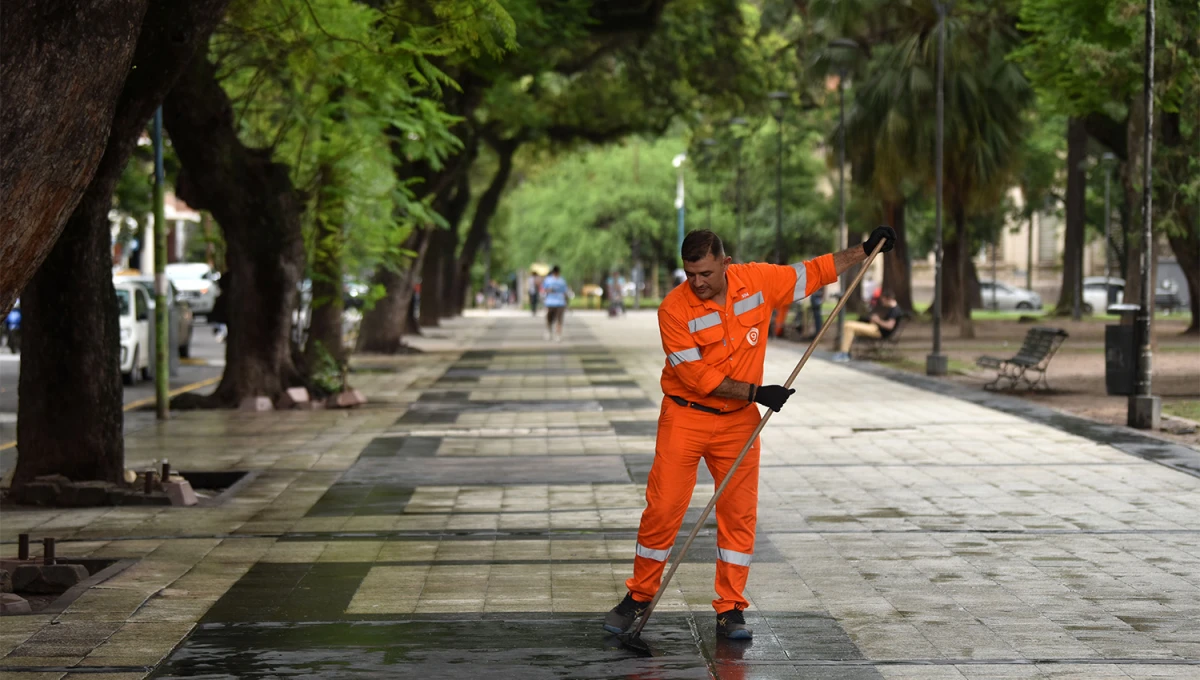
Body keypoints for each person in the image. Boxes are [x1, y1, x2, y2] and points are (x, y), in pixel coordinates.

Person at [604, 226, 896, 640]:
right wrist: (758, 392)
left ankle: (730, 608)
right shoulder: (673, 309)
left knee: (738, 516)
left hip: (738, 422)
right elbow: (694, 375)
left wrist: (864, 251)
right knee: (663, 509)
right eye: (691, 274)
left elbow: (811, 273)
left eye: (706, 272)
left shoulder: (756, 280)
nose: (698, 282)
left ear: (726, 263)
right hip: (686, 417)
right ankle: (638, 596)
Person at [832, 289, 903, 361]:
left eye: (883, 300)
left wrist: (878, 320)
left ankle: (844, 354)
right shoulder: (892, 309)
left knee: (849, 326)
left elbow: (889, 326)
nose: (882, 302)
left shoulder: (895, 311)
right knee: (848, 325)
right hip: (875, 328)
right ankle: (845, 352)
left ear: (888, 299)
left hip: (878, 332)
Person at [541, 265, 569, 342]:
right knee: (551, 319)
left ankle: (557, 334)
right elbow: (544, 289)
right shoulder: (550, 280)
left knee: (558, 320)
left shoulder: (561, 280)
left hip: (558, 303)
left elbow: (565, 291)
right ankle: (551, 332)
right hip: (551, 302)